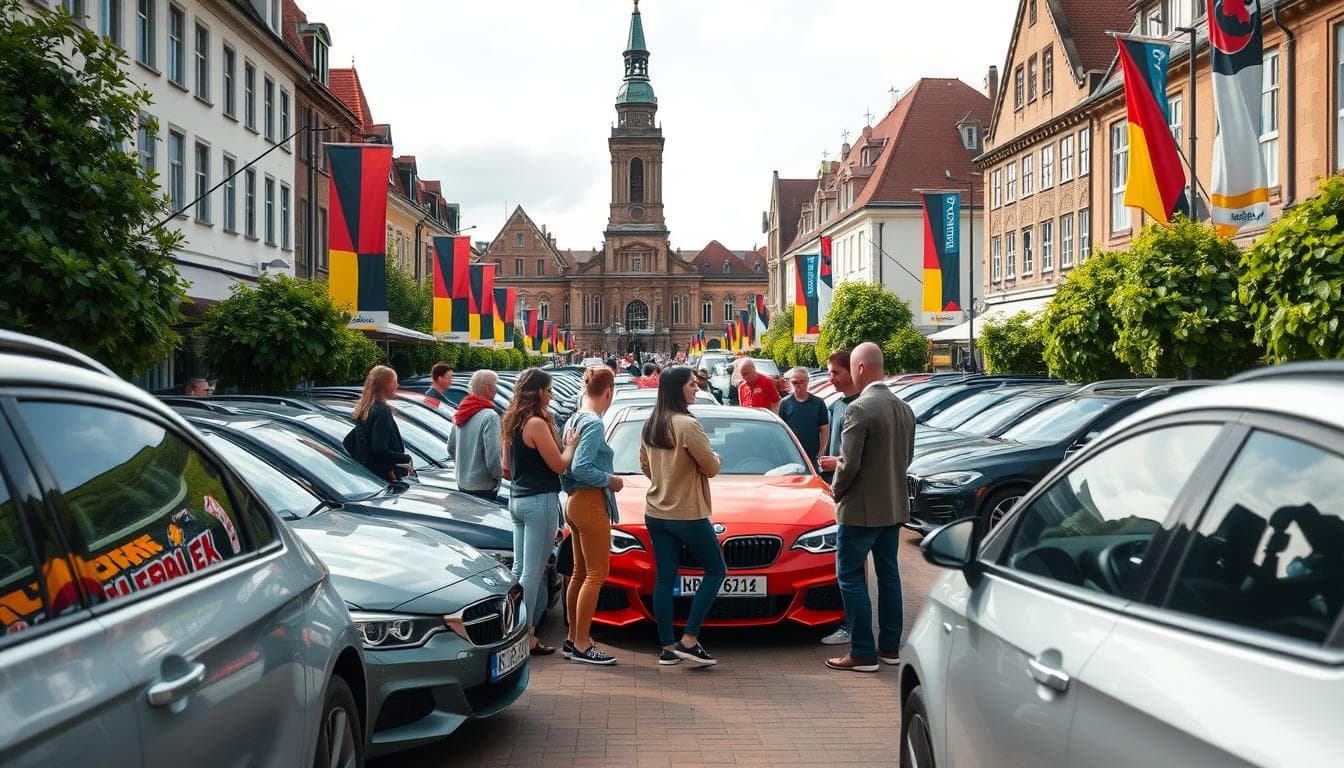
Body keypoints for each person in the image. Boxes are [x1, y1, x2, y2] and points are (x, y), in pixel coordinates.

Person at [824, 343, 915, 673]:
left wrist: (836, 492)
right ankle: (890, 648)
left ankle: (862, 651)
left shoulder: (859, 408)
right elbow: (907, 459)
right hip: (893, 507)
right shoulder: (904, 408)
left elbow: (847, 464)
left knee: (849, 577)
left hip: (859, 510)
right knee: (889, 576)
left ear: (860, 368)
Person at [639, 366, 724, 668]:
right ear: (678, 389)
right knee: (716, 570)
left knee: (665, 577)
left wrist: (666, 478)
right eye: (691, 385)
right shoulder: (687, 425)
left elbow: (645, 466)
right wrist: (716, 459)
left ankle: (666, 647)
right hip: (687, 512)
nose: (697, 389)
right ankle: (689, 639)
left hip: (656, 511)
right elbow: (710, 468)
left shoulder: (652, 423)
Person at [500, 368, 579, 656]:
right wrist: (570, 445)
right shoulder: (535, 423)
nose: (551, 394)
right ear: (537, 392)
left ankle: (513, 628)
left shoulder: (511, 421)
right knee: (532, 572)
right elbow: (560, 464)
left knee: (520, 570)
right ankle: (527, 634)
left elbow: (505, 468)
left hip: (517, 500)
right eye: (548, 389)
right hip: (539, 501)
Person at [559, 366, 623, 665]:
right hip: (589, 501)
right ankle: (583, 643)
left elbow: (567, 465)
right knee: (597, 574)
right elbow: (581, 467)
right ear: (608, 392)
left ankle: (573, 639)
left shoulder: (574, 418)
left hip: (573, 500)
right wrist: (609, 480)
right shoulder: (594, 423)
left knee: (579, 573)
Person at [816, 348, 862, 646]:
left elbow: (853, 459)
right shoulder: (837, 406)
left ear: (853, 371)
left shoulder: (860, 408)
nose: (830, 378)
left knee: (851, 570)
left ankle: (853, 630)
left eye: (835, 372)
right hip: (841, 489)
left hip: (851, 495)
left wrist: (837, 471)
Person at [349, 365, 415, 483]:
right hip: (384, 479)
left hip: (370, 477)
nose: (397, 385)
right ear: (385, 385)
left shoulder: (366, 409)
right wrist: (405, 458)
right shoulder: (382, 411)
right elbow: (380, 449)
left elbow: (350, 443)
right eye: (394, 382)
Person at [447, 370, 502, 502]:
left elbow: (451, 446)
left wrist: (464, 468)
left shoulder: (462, 411)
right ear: (488, 388)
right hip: (483, 487)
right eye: (495, 385)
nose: (497, 389)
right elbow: (493, 456)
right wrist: (498, 479)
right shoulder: (490, 416)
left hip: (462, 484)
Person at [779, 366, 829, 471]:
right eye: (795, 382)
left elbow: (824, 429)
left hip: (812, 452)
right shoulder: (785, 403)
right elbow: (781, 430)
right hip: (792, 452)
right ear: (790, 383)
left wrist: (822, 450)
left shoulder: (818, 403)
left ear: (807, 382)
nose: (799, 385)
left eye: (802, 382)